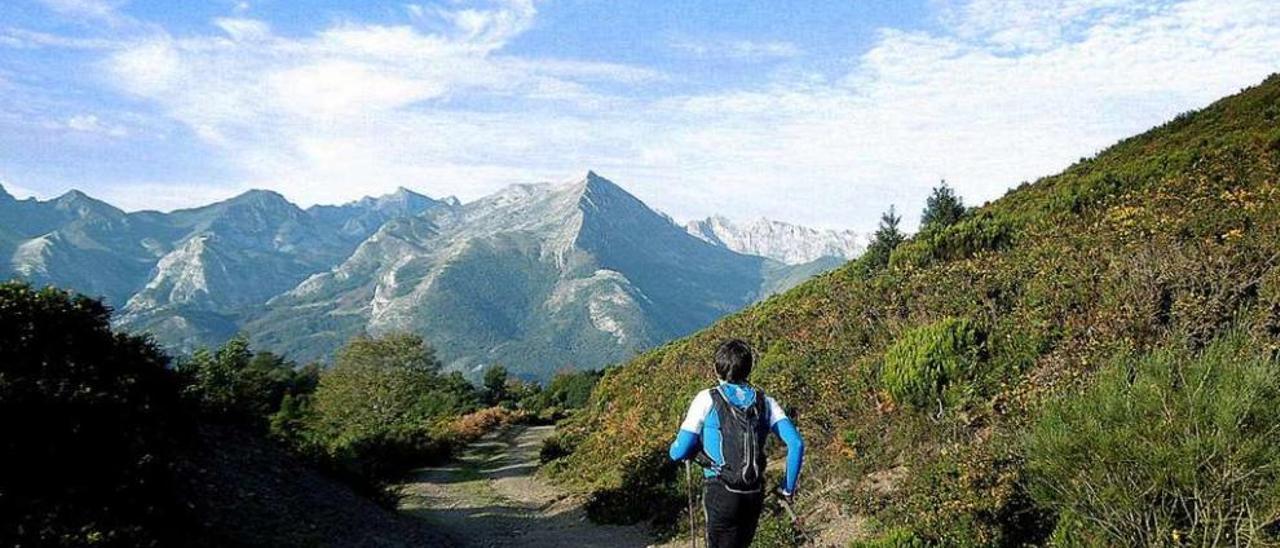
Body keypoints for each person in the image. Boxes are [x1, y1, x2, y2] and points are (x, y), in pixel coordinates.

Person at [669, 339, 805, 548]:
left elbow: (678, 451)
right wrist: (787, 489)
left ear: (717, 369)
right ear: (749, 369)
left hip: (721, 490)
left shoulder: (707, 398)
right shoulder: (766, 402)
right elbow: (795, 444)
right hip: (753, 493)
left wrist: (688, 450)